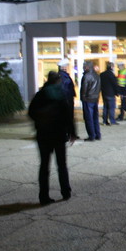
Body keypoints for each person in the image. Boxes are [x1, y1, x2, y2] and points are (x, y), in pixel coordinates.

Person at [28, 71, 77, 205]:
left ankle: (43, 196)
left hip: (43, 135)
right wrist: (72, 133)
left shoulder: (39, 95)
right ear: (58, 81)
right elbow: (68, 116)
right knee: (61, 165)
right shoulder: (61, 96)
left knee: (44, 166)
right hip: (59, 135)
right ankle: (65, 192)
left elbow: (31, 112)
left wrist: (39, 123)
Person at [80, 61, 101, 141]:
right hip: (95, 99)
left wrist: (83, 97)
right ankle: (97, 134)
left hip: (88, 99)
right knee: (95, 117)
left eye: (84, 66)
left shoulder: (87, 76)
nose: (83, 67)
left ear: (87, 67)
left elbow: (84, 88)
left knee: (89, 118)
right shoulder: (97, 75)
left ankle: (91, 135)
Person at [57, 59, 78, 136]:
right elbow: (64, 89)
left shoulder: (64, 75)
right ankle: (67, 134)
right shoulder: (63, 76)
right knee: (67, 117)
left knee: (68, 117)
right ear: (63, 67)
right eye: (66, 65)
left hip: (67, 99)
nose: (67, 67)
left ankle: (69, 133)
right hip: (66, 100)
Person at [100, 61, 120, 125]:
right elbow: (115, 84)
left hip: (104, 93)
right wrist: (117, 92)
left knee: (105, 107)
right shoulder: (111, 75)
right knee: (111, 107)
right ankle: (112, 121)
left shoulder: (102, 74)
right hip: (110, 93)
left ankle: (105, 120)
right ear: (111, 67)